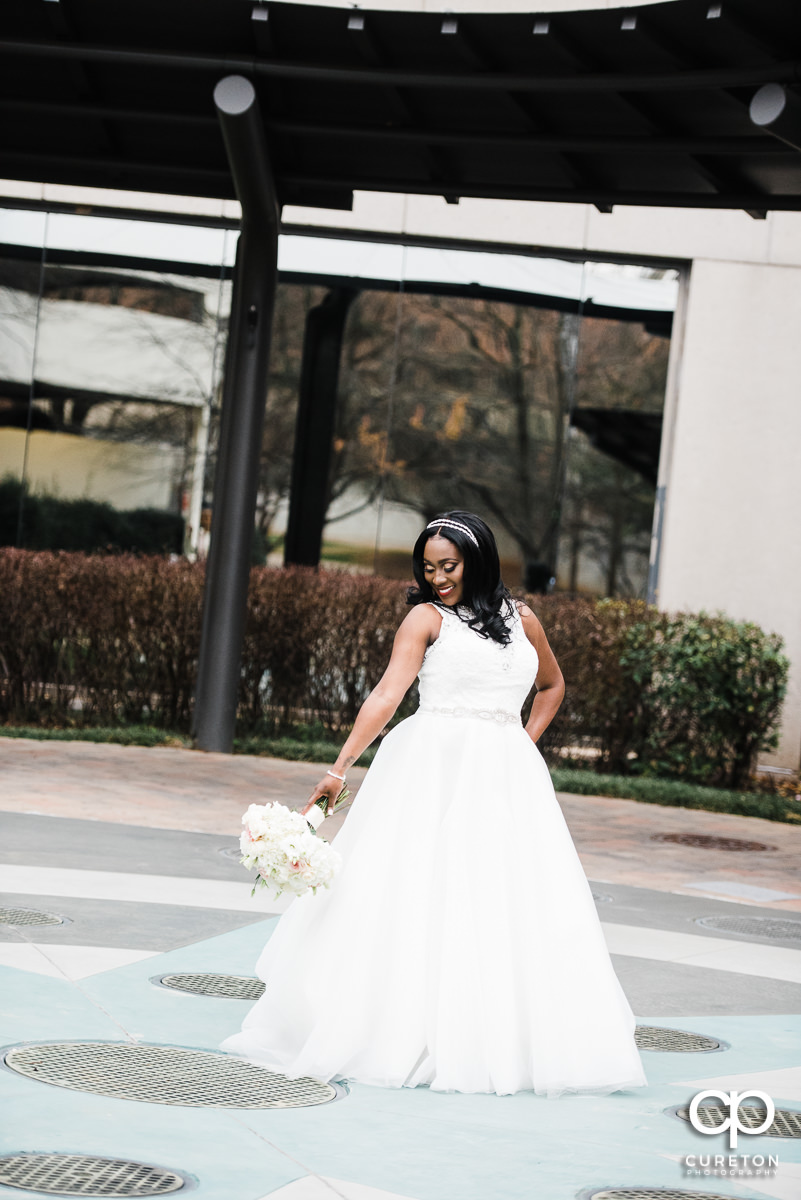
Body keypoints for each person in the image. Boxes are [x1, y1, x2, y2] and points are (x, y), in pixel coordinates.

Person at [220, 510, 648, 1099]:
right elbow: (387, 694)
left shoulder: (524, 620)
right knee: (414, 890)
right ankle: (396, 1029)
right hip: (428, 768)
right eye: (428, 568)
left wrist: (518, 743)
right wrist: (338, 768)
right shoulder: (425, 618)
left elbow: (552, 687)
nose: (438, 578)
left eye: (448, 565)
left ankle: (497, 1039)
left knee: (505, 899)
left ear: (479, 560)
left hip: (506, 778)